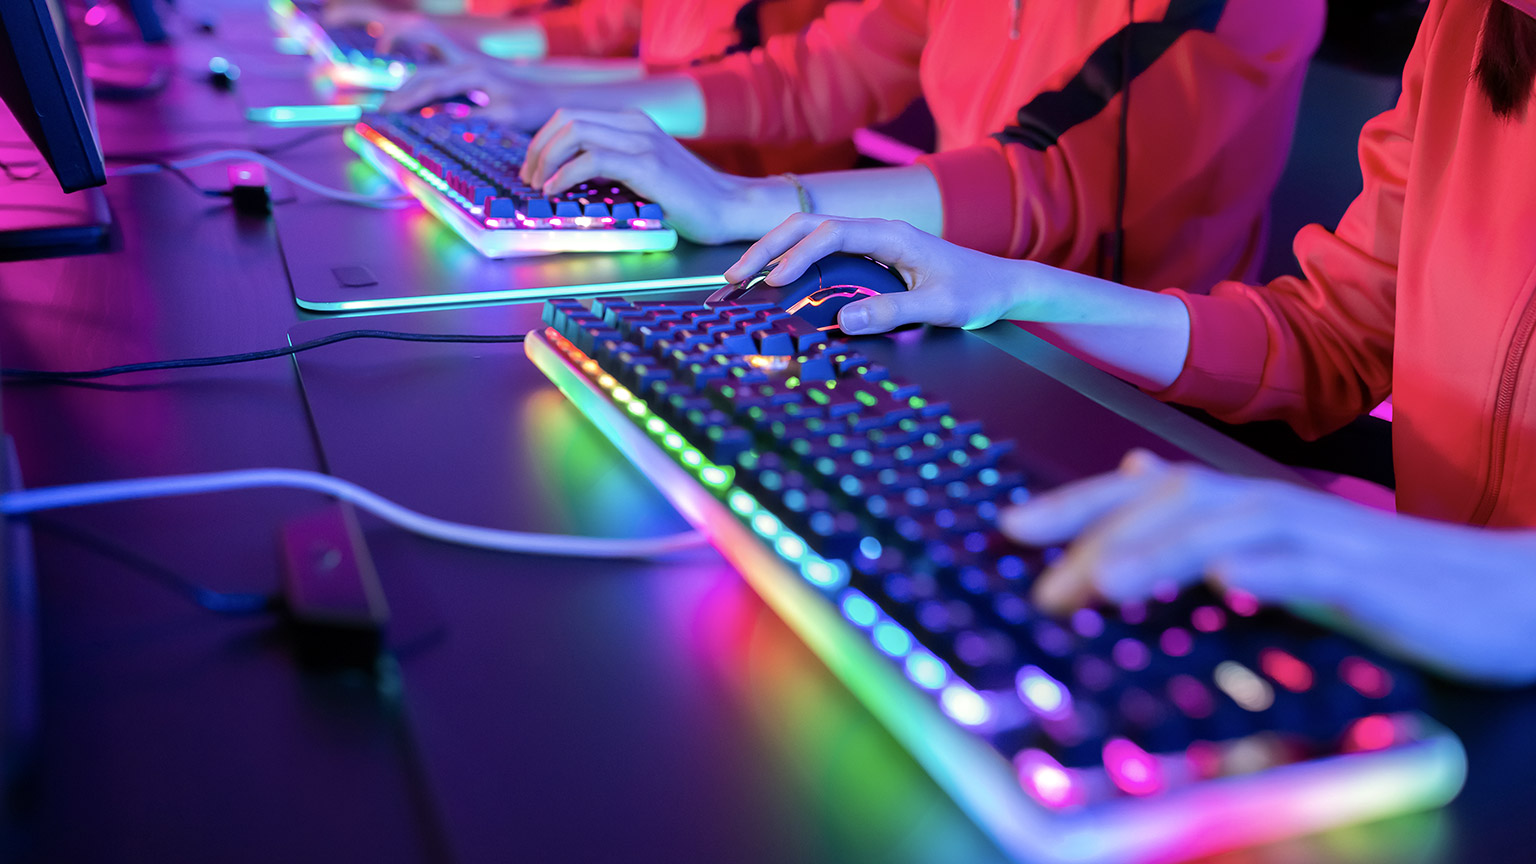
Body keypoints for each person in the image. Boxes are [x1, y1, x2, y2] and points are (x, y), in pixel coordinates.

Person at [722, 0, 1536, 686]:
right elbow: (1335, 332)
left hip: (1454, 608)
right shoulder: (1468, 21)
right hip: (1436, 634)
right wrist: (1018, 288)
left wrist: (1481, 583)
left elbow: (1046, 176)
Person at [387, 0, 1326, 295]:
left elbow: (1047, 176)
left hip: (1113, 388)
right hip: (937, 305)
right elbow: (812, 74)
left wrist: (751, 203)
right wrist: (539, 92)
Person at [330, 0, 854, 176]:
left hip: (745, 181)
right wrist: (487, 62)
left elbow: (759, 82)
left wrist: (530, 87)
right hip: (656, 162)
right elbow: (596, 26)